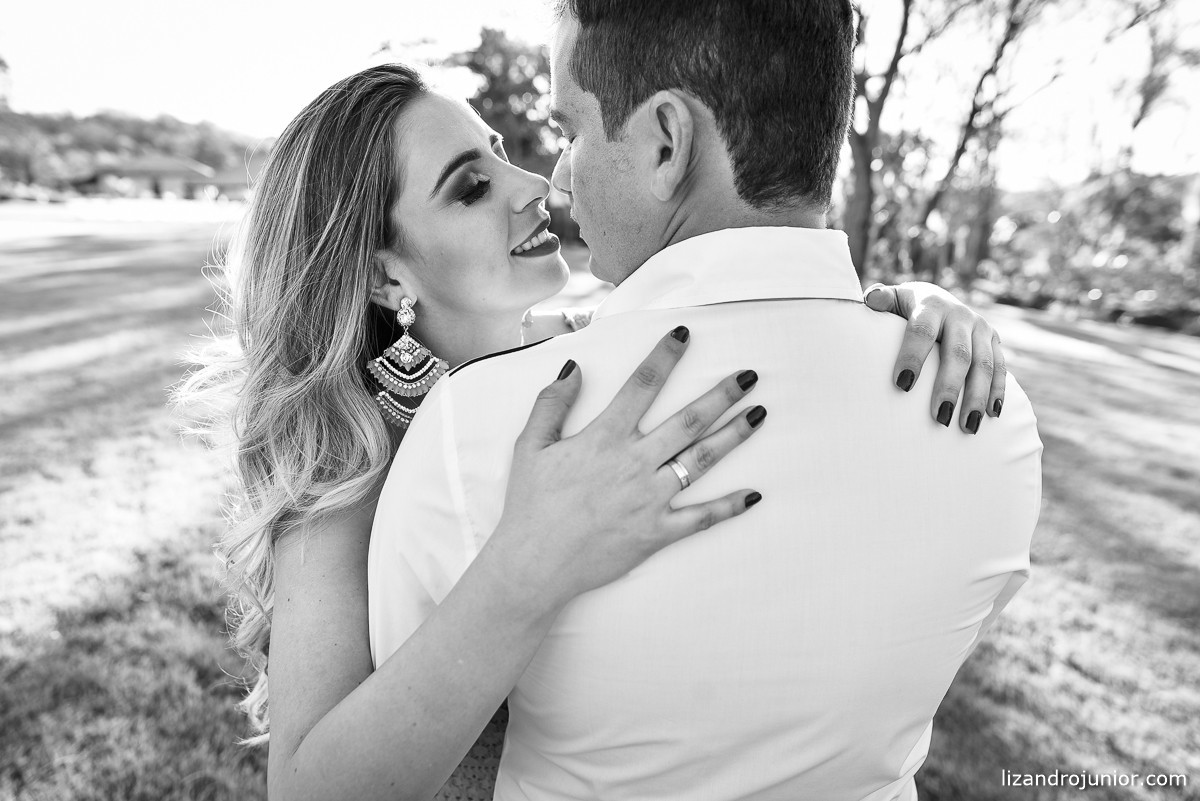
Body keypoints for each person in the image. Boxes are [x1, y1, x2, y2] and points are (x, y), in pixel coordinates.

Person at [180, 57, 1011, 801]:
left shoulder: (591, 356)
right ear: (382, 270)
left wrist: (913, 309)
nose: (533, 185)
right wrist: (528, 564)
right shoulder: (346, 468)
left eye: (503, 149)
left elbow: (759, 309)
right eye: (470, 186)